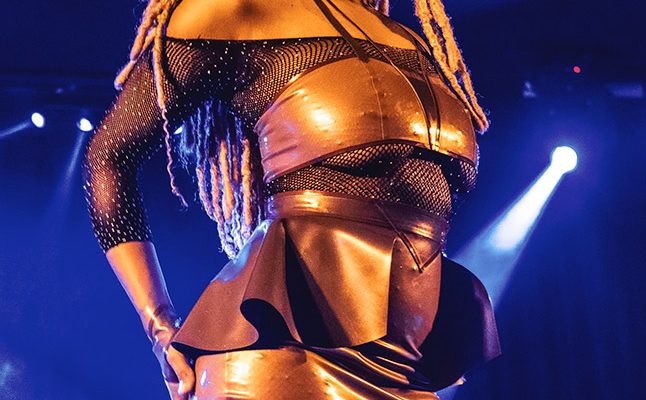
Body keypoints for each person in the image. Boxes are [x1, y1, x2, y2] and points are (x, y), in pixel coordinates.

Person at [81, 0, 500, 398]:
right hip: (286, 354)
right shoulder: (234, 11)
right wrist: (159, 326)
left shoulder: (409, 43)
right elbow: (107, 157)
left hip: (406, 360)